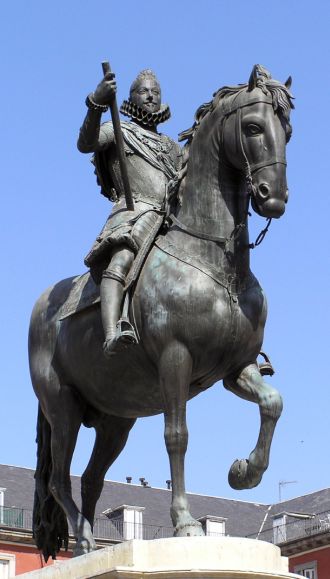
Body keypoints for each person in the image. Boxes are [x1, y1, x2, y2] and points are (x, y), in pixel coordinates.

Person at [78, 69, 181, 357]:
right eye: (144, 91)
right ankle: (111, 332)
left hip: (170, 218)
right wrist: (96, 103)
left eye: (156, 91)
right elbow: (86, 143)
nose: (151, 95)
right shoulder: (118, 130)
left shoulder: (172, 147)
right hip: (134, 211)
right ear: (131, 97)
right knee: (122, 258)